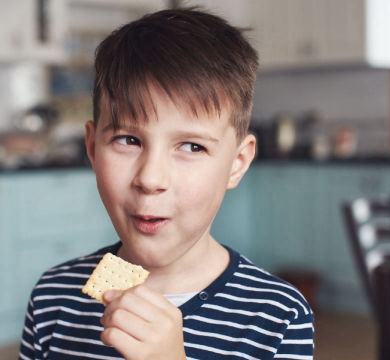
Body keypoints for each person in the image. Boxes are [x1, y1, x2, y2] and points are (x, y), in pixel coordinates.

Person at [18, 7, 315, 360]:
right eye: (128, 140)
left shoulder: (277, 317)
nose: (151, 178)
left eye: (192, 146)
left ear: (236, 165)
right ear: (92, 149)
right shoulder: (53, 296)